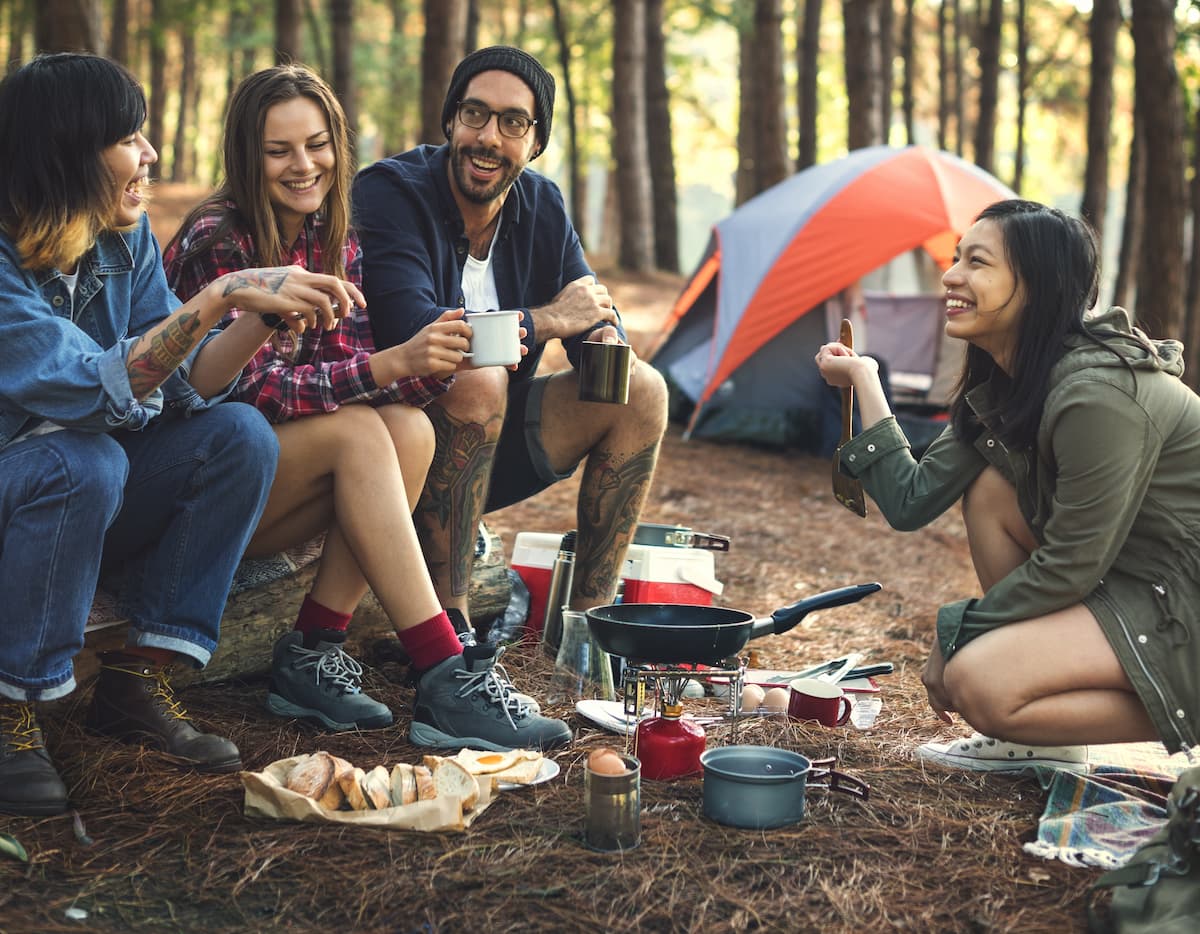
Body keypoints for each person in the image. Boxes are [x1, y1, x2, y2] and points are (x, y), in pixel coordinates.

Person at [0, 53, 367, 817]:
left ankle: (138, 679)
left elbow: (187, 382)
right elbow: (86, 386)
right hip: (23, 489)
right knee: (84, 457)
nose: (150, 155)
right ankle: (13, 710)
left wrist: (257, 311)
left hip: (84, 491)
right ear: (67, 153)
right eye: (129, 139)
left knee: (238, 436)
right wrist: (217, 294)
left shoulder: (119, 236)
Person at [164, 65, 570, 751]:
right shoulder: (220, 237)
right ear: (245, 155)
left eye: (318, 145)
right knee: (358, 434)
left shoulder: (333, 230)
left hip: (284, 478)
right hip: (200, 487)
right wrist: (390, 365)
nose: (304, 166)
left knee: (410, 429)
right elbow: (252, 393)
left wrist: (421, 363)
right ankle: (444, 671)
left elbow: (345, 369)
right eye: (279, 150)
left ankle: (312, 652)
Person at [815, 199, 1200, 771]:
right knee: (992, 490)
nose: (951, 275)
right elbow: (910, 500)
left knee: (979, 681)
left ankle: (1180, 702)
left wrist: (957, 634)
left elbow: (1070, 565)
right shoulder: (1010, 381)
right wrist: (866, 380)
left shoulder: (1098, 394)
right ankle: (1047, 733)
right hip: (1129, 578)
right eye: (956, 258)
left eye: (978, 262)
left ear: (1039, 286)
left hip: (1179, 598)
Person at [351, 46, 669, 641]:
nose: (489, 137)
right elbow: (417, 334)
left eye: (513, 123)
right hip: (390, 451)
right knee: (476, 374)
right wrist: (549, 320)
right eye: (475, 114)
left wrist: (603, 335)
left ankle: (588, 629)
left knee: (641, 391)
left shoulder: (541, 203)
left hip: (487, 451)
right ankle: (452, 627)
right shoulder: (390, 192)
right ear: (450, 121)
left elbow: (589, 308)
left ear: (536, 142)